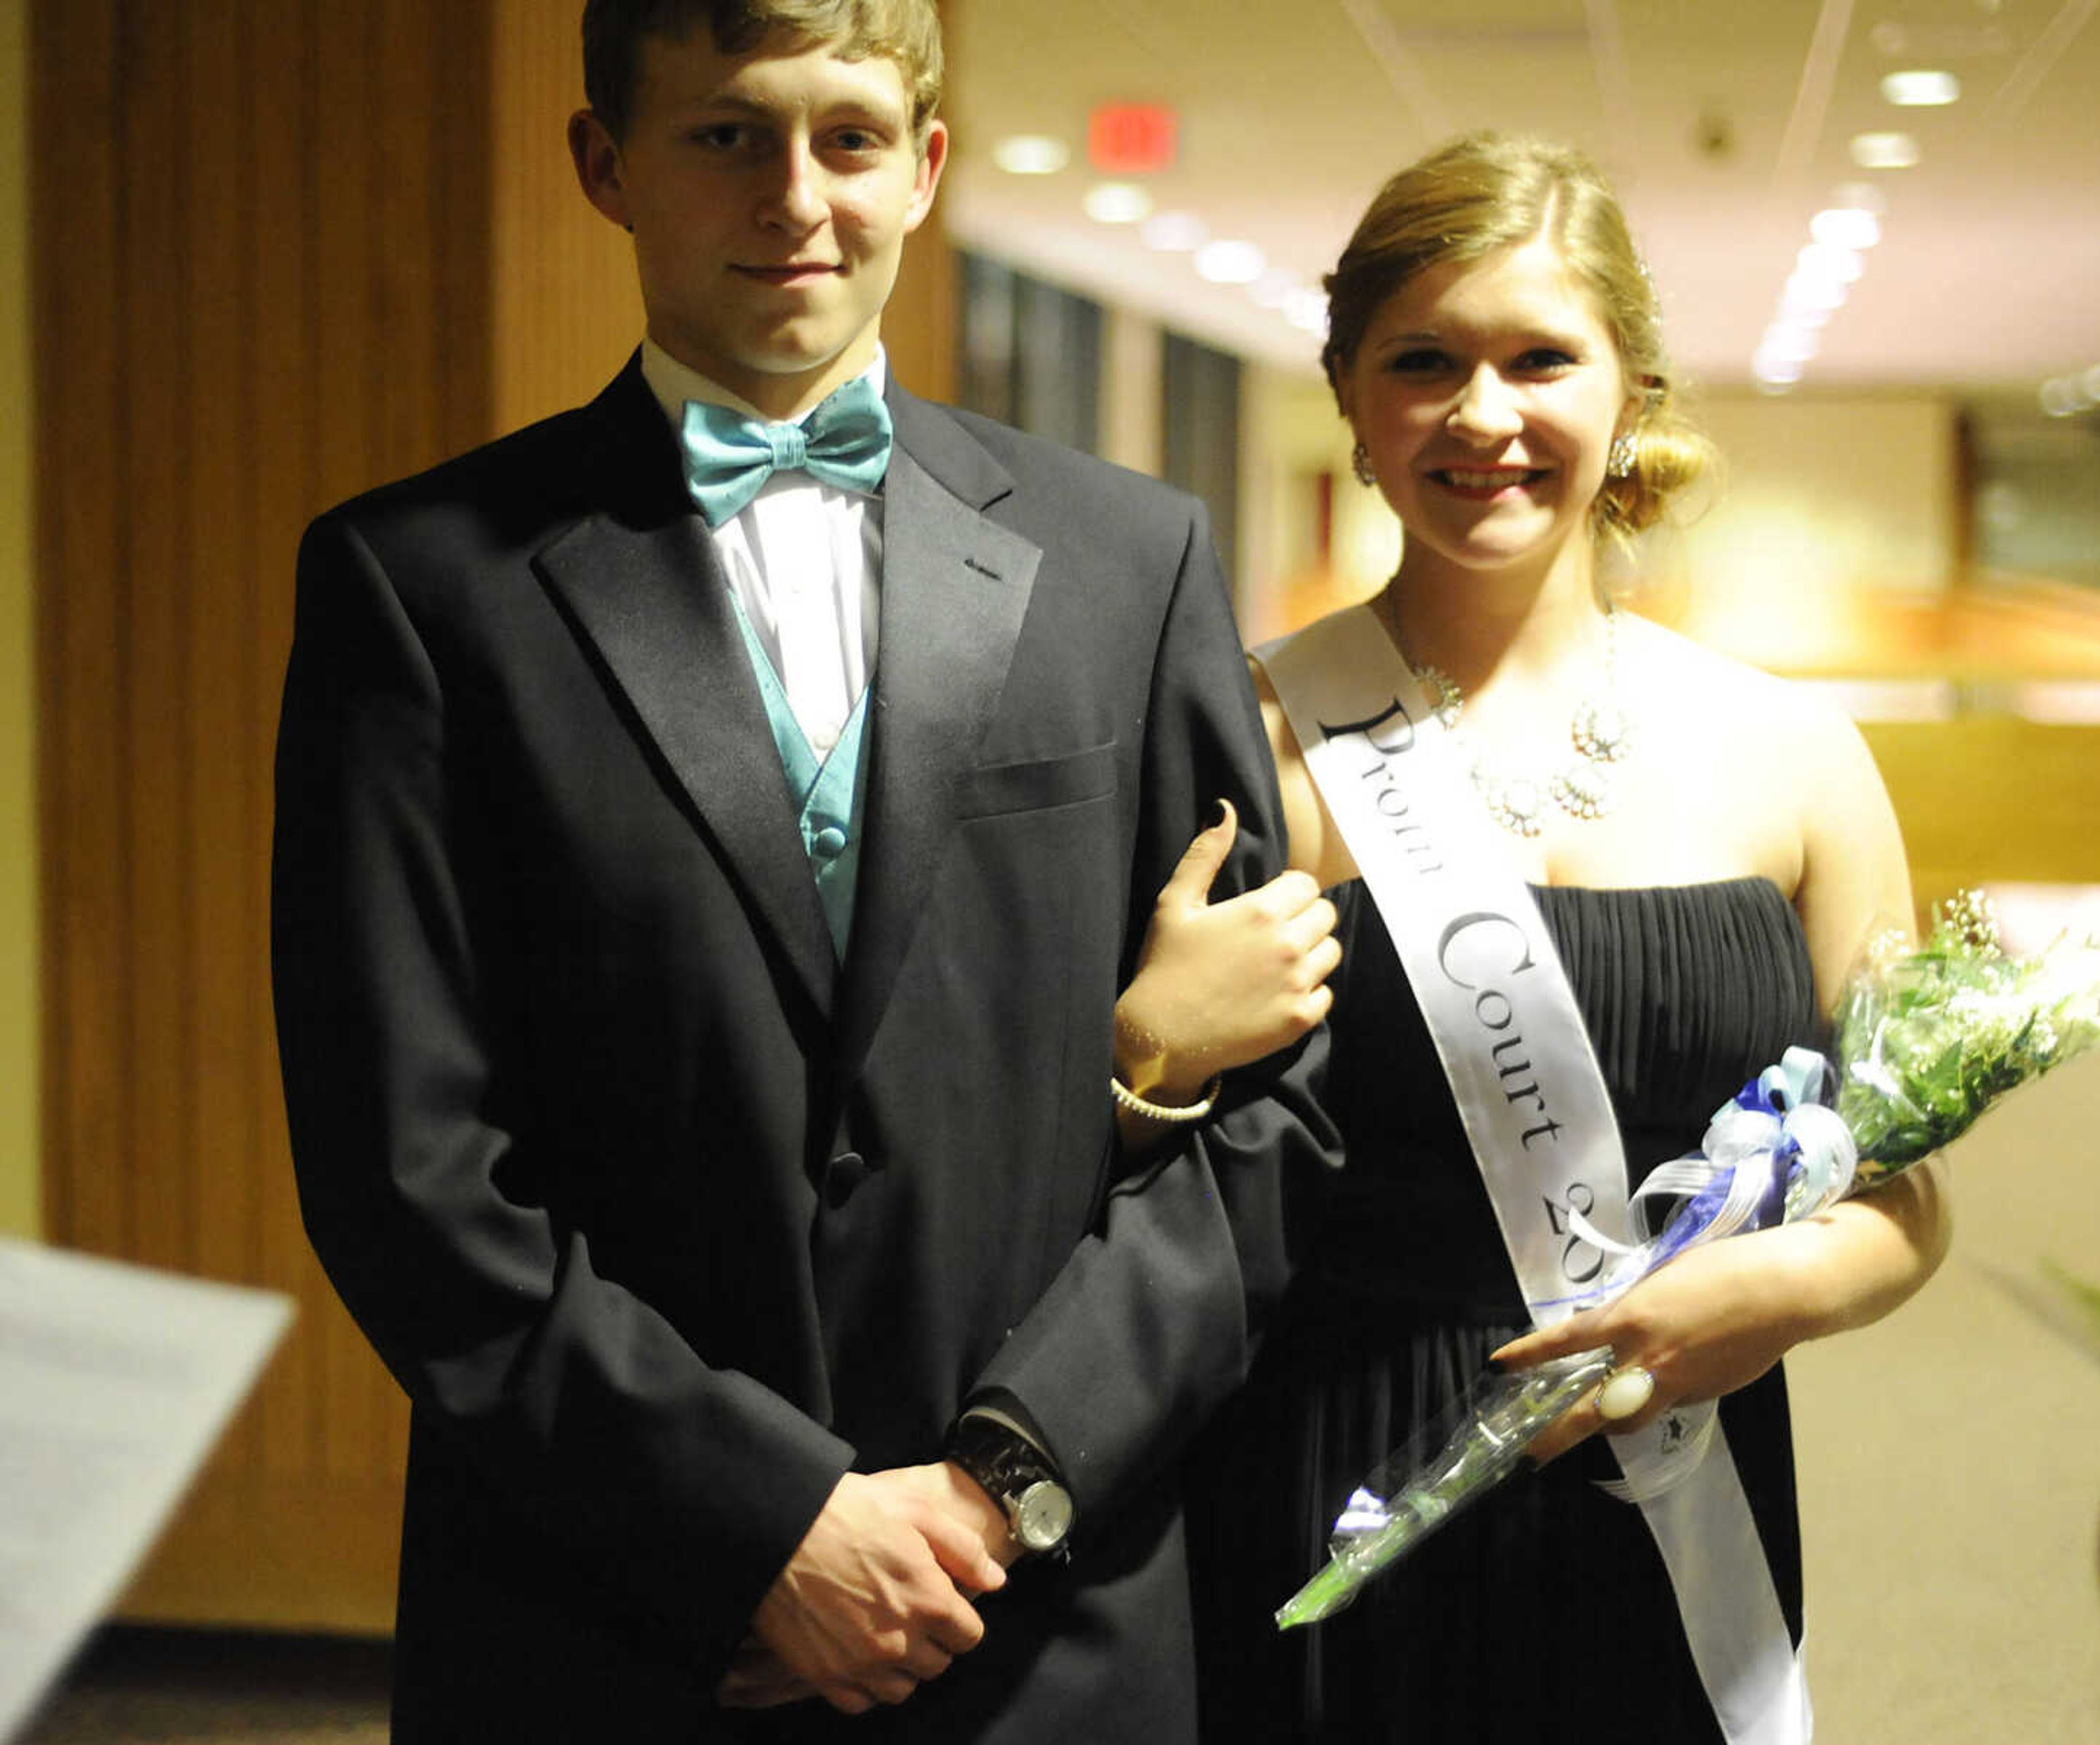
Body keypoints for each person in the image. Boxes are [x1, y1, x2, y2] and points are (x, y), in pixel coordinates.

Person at [268, 2, 1334, 1739]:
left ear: (922, 168)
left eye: (846, 138)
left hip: (1041, 1617)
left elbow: (1276, 1116)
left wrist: (999, 1487)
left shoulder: (1134, 562)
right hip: (607, 1614)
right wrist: (761, 1529)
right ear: (604, 167)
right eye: (724, 137)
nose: (794, 197)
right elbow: (406, 1169)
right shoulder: (419, 591)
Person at [1148, 133, 1952, 1742]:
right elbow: (1118, 1166)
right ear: (1356, 403)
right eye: (1424, 362)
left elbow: (1909, 1194)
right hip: (1331, 1481)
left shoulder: (1797, 757)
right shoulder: (1236, 740)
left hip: (1681, 1477)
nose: (1484, 414)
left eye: (1541, 359)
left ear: (1632, 395)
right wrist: (1145, 1049)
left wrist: (1775, 1293)